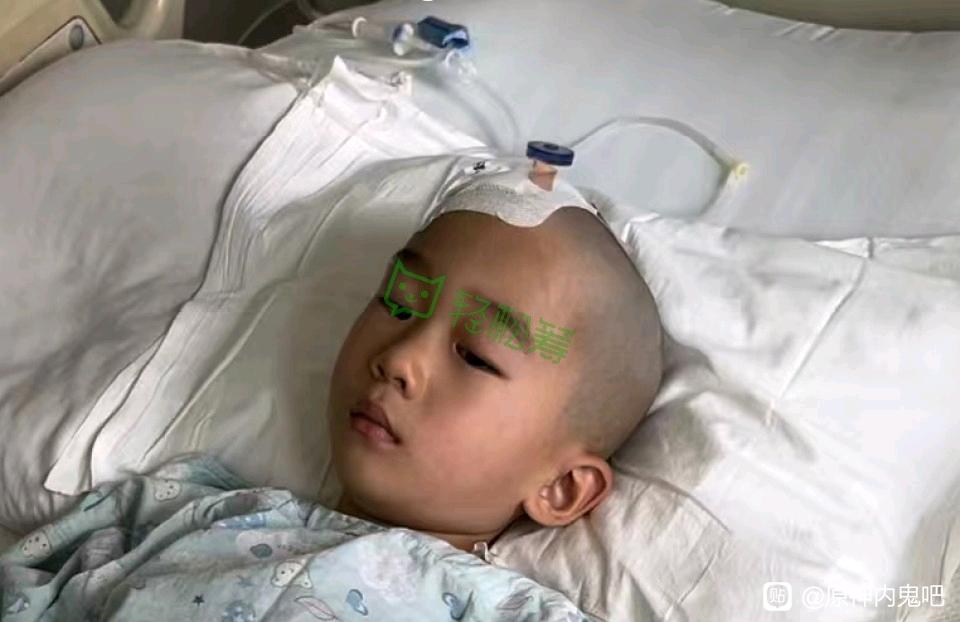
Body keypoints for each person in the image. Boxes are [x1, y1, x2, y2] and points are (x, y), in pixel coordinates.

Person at [0, 187, 663, 622]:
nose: (400, 358)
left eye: (476, 355)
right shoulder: (185, 513)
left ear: (561, 488)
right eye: (399, 303)